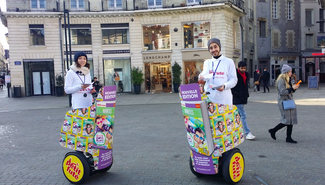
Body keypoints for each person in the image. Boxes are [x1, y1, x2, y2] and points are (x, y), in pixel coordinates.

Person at [198, 38, 237, 105]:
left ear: (219, 47)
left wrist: (224, 86)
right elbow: (205, 73)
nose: (213, 50)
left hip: (224, 99)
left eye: (215, 47)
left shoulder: (228, 62)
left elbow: (234, 80)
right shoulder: (207, 62)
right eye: (211, 48)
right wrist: (201, 76)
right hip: (209, 98)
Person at [268, 64, 300, 144]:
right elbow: (282, 92)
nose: (291, 73)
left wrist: (294, 88)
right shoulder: (281, 80)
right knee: (286, 120)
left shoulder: (288, 79)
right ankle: (273, 130)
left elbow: (290, 90)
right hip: (284, 101)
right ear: (286, 72)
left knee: (291, 120)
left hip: (289, 100)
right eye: (290, 72)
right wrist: (292, 88)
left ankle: (288, 137)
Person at [231, 61, 255, 140]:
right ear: (238, 67)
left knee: (237, 116)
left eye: (244, 68)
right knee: (243, 115)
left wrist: (246, 95)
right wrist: (239, 94)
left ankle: (234, 132)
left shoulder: (246, 74)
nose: (243, 69)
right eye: (242, 68)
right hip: (237, 98)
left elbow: (245, 86)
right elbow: (233, 87)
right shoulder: (235, 75)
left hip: (243, 98)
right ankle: (247, 133)